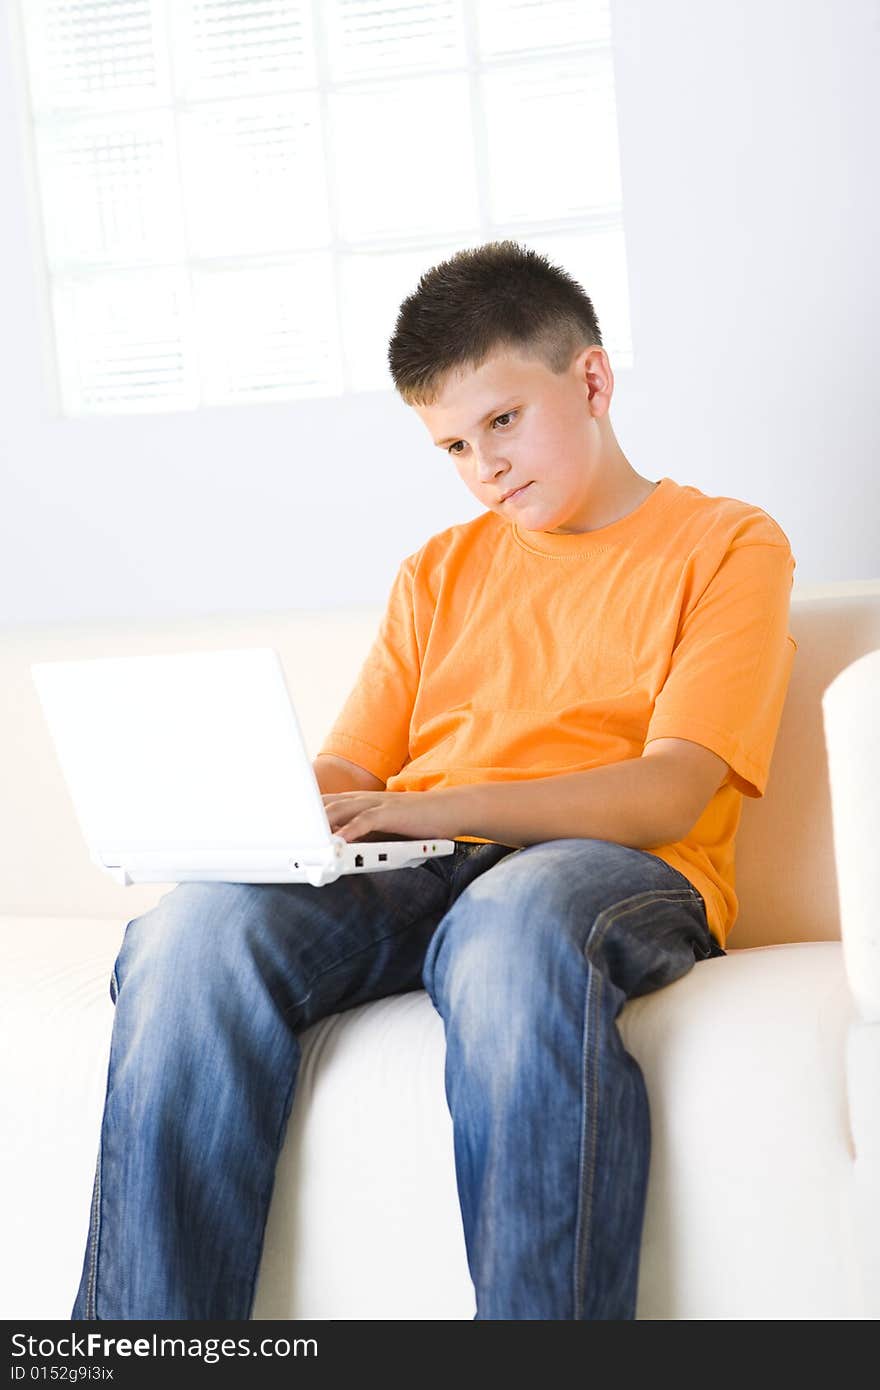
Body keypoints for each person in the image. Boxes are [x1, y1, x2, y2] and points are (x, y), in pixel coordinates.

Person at [72, 239, 796, 1321]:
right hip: (422, 858)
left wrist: (433, 805)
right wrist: (260, 800)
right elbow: (352, 770)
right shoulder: (439, 571)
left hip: (605, 867)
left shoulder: (726, 543)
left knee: (509, 922)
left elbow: (667, 793)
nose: (485, 466)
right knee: (192, 935)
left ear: (590, 381)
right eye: (454, 444)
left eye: (502, 421)